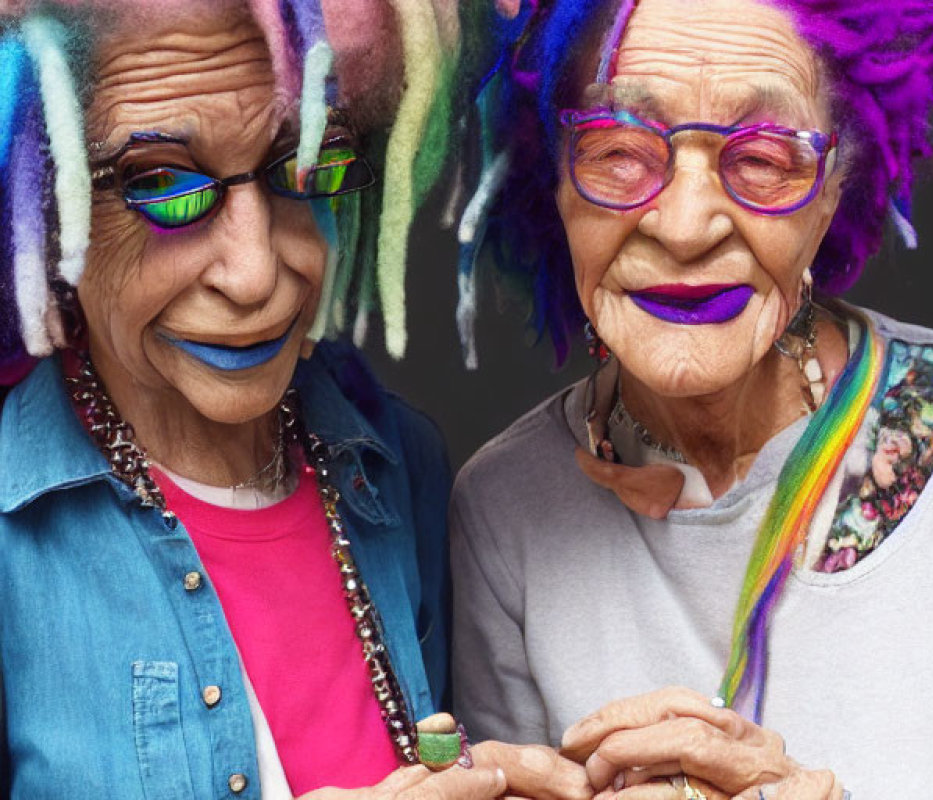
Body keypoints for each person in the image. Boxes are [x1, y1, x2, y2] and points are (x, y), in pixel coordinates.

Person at [0, 1, 584, 798]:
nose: (256, 275)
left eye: (303, 165)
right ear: (37, 191)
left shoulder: (397, 467)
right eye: (163, 183)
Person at [450, 0, 933, 797]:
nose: (685, 227)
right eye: (620, 151)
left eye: (764, 157)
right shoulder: (505, 511)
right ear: (552, 182)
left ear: (834, 192)